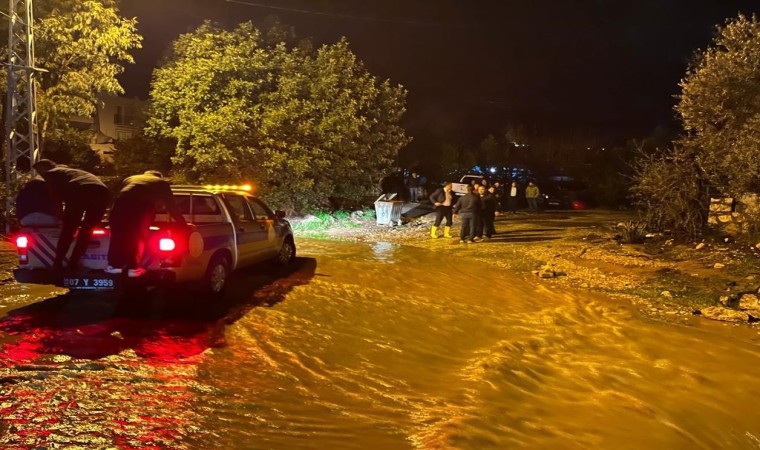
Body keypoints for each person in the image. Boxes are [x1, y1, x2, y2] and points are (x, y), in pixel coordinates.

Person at [105, 170, 188, 277]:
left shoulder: (130, 178)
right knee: (138, 235)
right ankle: (133, 268)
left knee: (118, 234)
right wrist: (183, 224)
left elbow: (117, 195)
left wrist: (109, 217)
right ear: (159, 177)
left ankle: (115, 266)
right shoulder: (161, 183)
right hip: (143, 206)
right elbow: (172, 207)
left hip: (121, 203)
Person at [33, 159, 110, 272]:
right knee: (87, 230)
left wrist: (60, 219)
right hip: (102, 192)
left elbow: (56, 199)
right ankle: (73, 264)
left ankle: (58, 264)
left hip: (79, 190)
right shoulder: (71, 172)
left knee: (69, 229)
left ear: (45, 168)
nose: (41, 176)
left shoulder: (51, 173)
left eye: (39, 172)